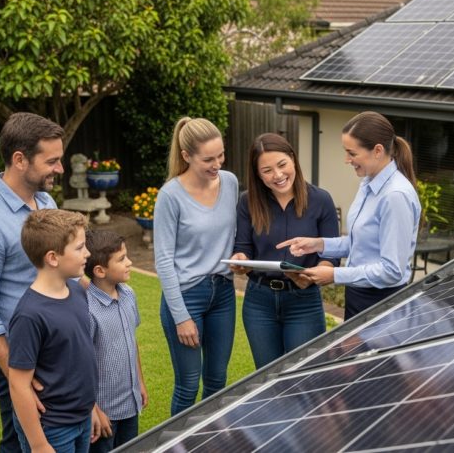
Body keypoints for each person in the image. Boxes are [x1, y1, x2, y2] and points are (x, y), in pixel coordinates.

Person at [0, 112, 65, 452]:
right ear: (20, 159)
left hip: (56, 350)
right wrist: (18, 375)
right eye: (52, 161)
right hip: (20, 361)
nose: (59, 169)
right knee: (22, 444)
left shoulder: (45, 202)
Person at [278, 111, 421, 320]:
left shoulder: (395, 196)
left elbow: (392, 271)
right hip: (359, 295)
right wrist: (318, 244)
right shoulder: (368, 185)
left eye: (352, 153)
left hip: (381, 304)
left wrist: (335, 275)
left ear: (378, 150)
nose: (347, 160)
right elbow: (362, 243)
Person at [228, 133, 339, 368]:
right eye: (267, 170)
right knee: (268, 379)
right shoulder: (247, 202)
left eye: (282, 165)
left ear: (293, 159)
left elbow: (331, 255)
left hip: (304, 302)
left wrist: (315, 275)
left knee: (304, 378)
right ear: (257, 174)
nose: (277, 175)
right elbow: (243, 248)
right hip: (259, 303)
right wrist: (240, 260)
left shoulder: (321, 200)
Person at [154, 117, 239, 415]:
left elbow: (233, 235)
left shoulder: (230, 182)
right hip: (187, 296)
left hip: (224, 293)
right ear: (187, 156)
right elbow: (163, 260)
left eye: (221, 155)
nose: (217, 164)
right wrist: (181, 317)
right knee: (188, 385)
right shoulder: (170, 196)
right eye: (208, 159)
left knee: (217, 381)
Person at [8, 209, 99, 452]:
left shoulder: (78, 291)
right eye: (80, 248)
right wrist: (38, 444)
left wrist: (89, 409)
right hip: (53, 428)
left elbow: (77, 358)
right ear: (53, 258)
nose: (88, 253)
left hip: (81, 419)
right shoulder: (29, 315)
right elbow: (18, 385)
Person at [85, 230, 148, 452]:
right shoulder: (87, 310)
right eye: (121, 259)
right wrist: (93, 409)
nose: (129, 263)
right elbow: (80, 365)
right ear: (100, 270)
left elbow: (132, 341)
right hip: (104, 413)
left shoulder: (128, 294)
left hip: (130, 404)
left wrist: (139, 382)